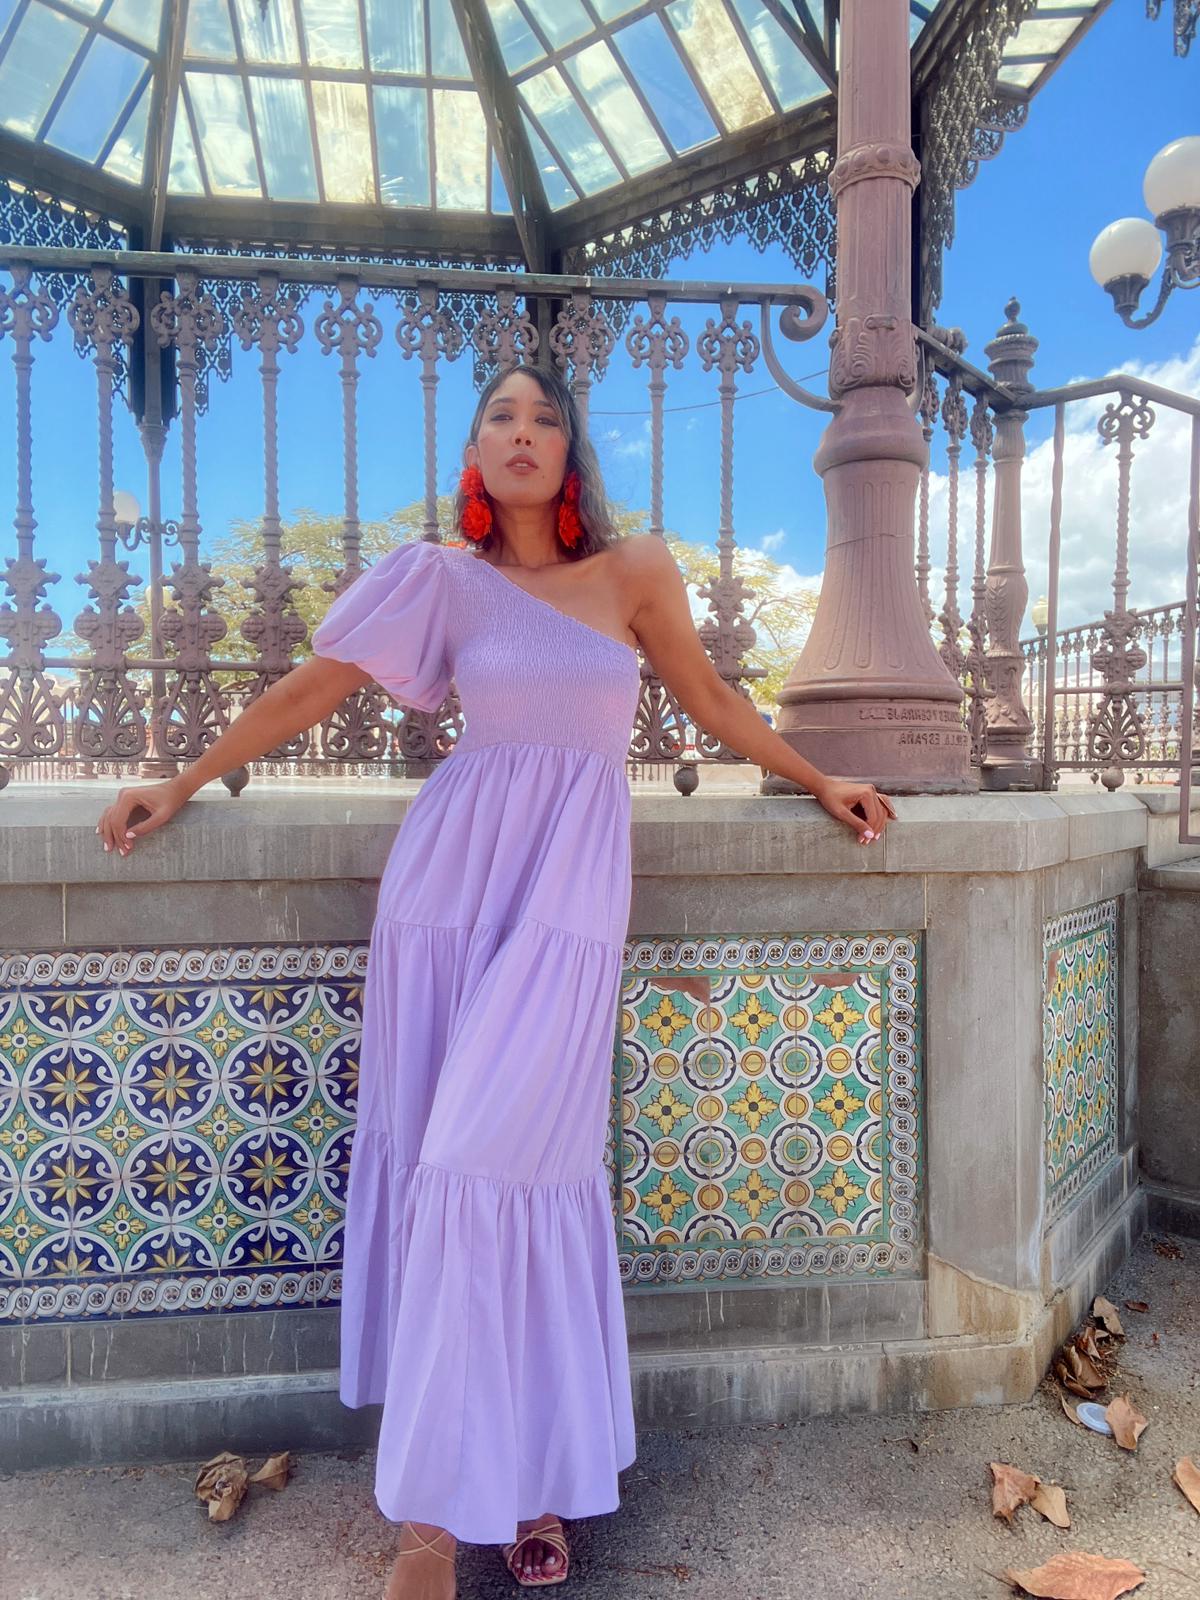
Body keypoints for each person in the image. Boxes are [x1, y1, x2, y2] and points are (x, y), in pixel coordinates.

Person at [95, 365, 896, 1599]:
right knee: (446, 1169)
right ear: (475, 450)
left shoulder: (636, 572)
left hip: (568, 899)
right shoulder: (440, 578)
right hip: (447, 894)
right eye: (501, 417)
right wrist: (183, 779)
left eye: (546, 417)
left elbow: (709, 697)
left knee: (498, 1167)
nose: (524, 432)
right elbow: (313, 686)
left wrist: (818, 776)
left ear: (572, 451)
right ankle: (452, 1516)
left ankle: (493, 1490)